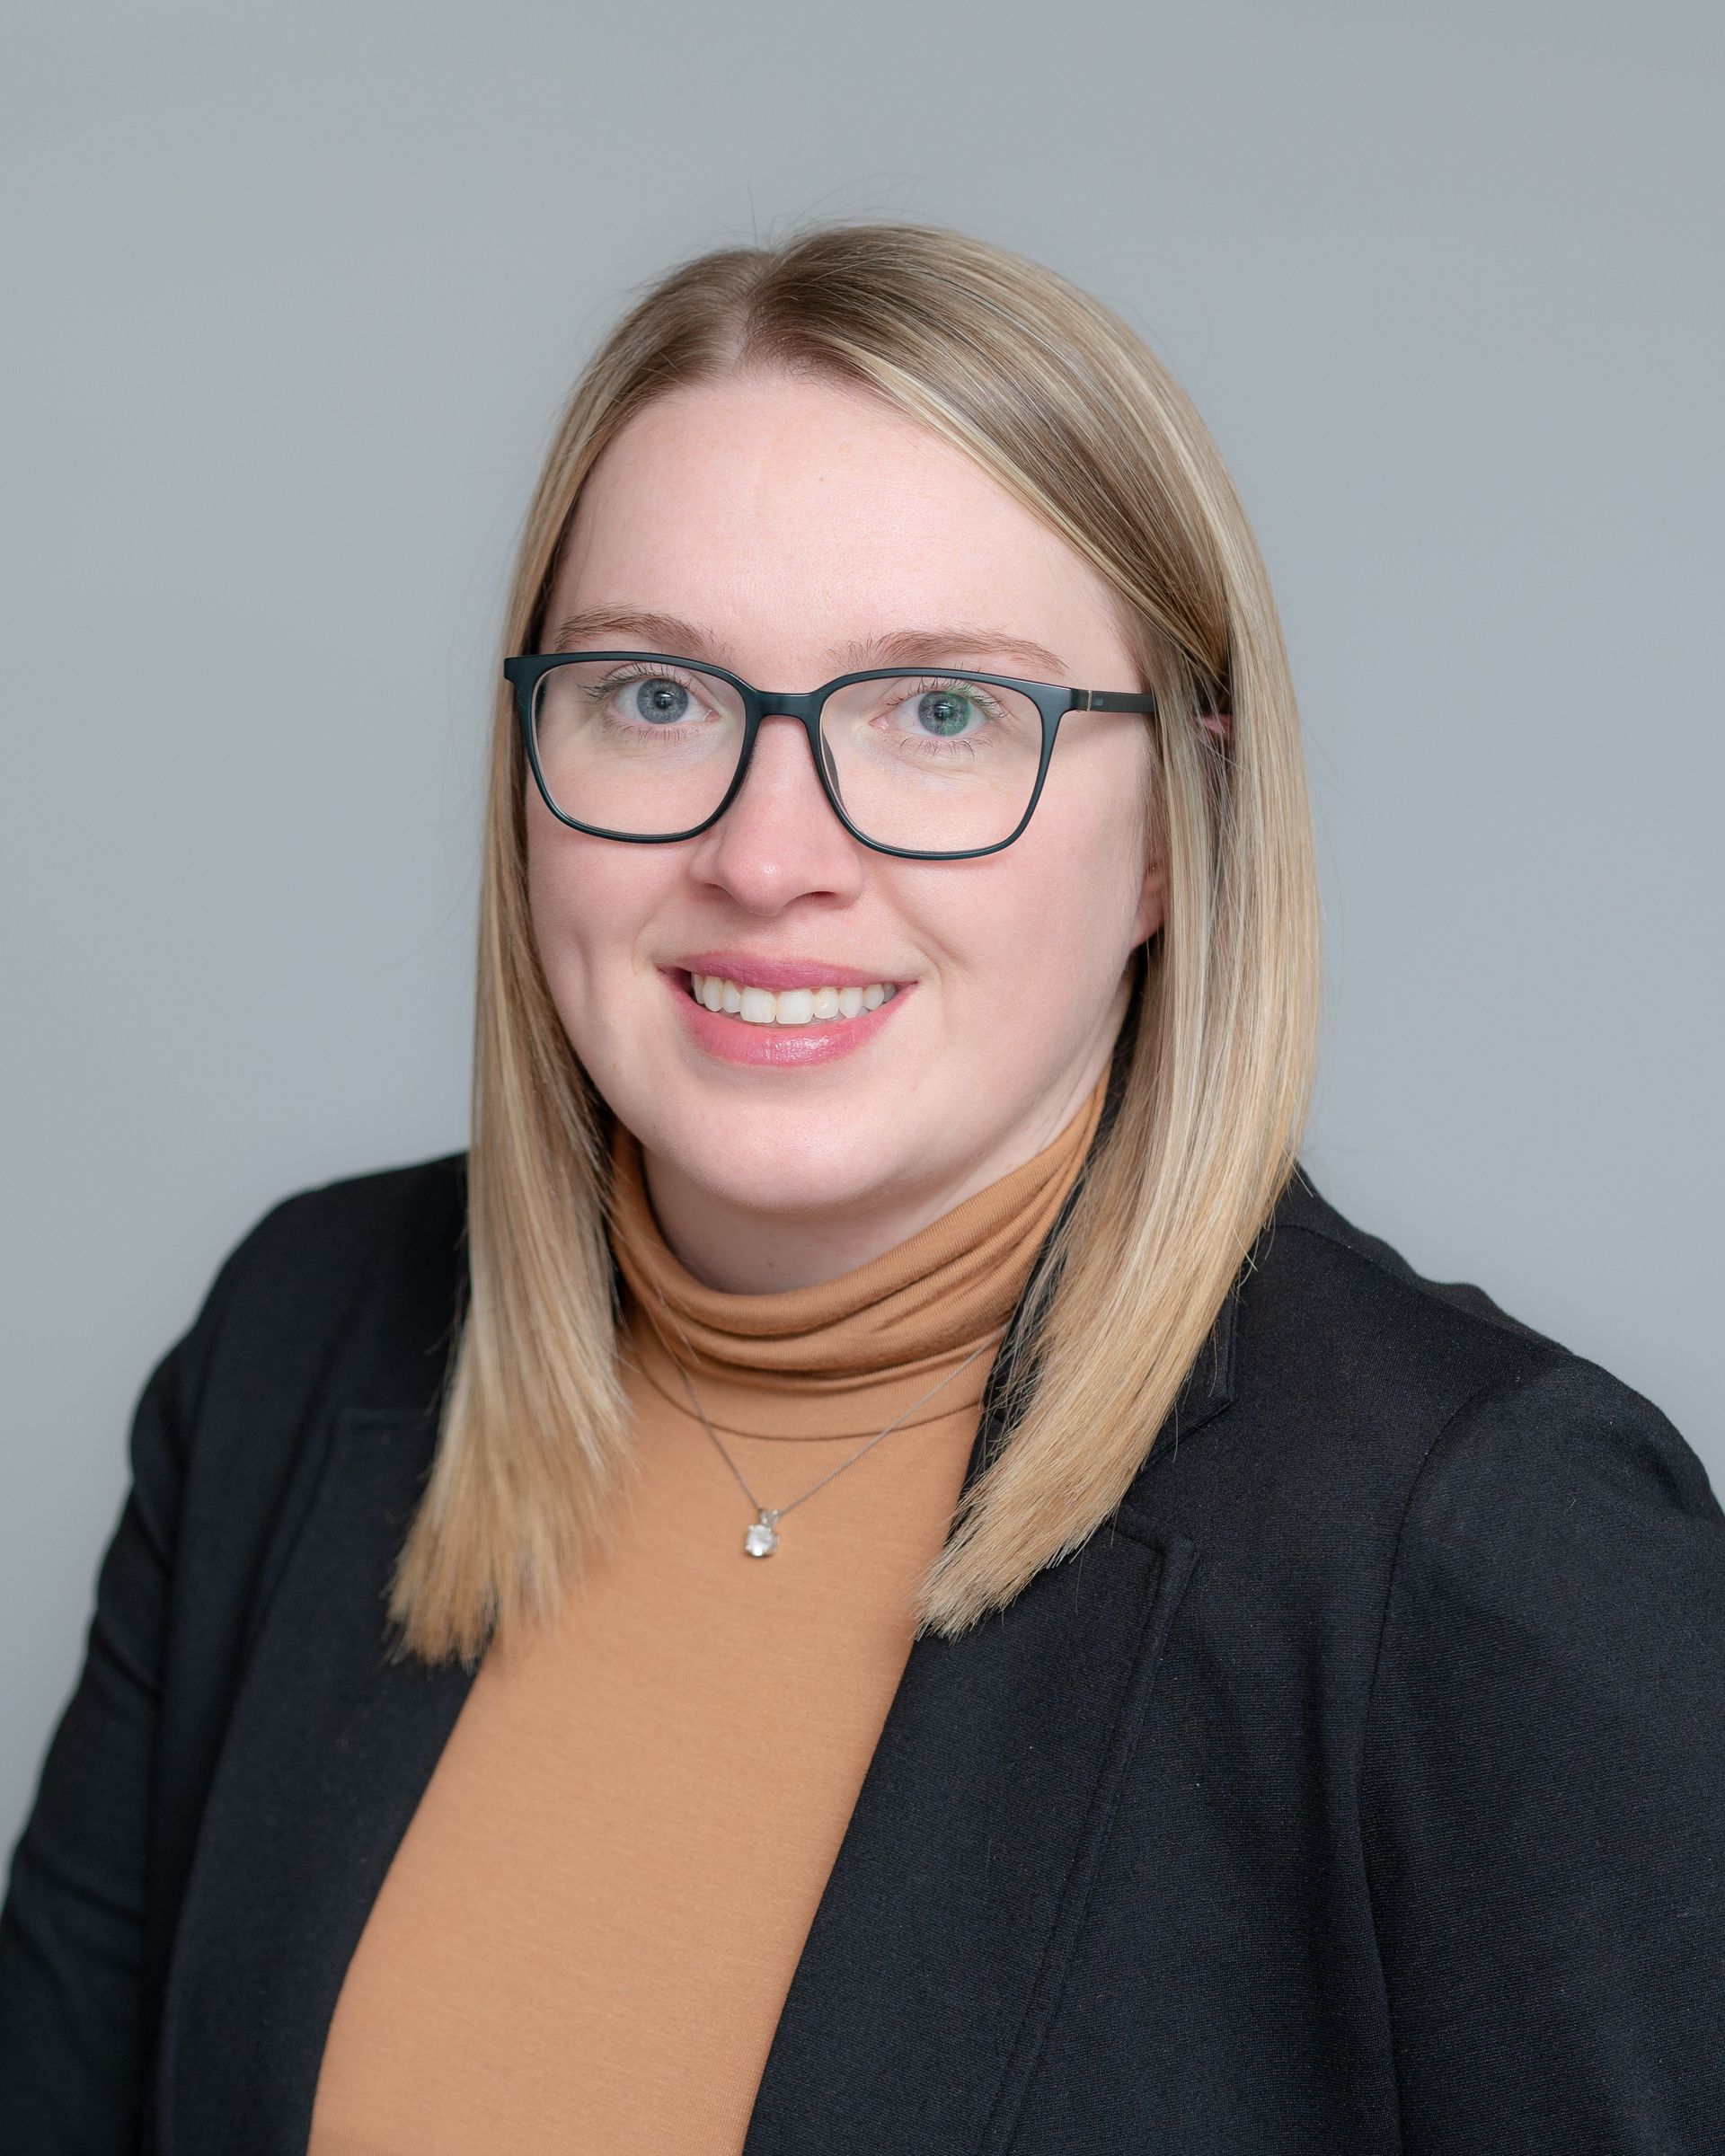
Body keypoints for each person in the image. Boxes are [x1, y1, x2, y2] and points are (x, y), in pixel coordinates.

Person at [1, 220, 1720, 2156]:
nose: (767, 851)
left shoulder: (1486, 1548)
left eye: (942, 714)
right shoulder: (297, 1352)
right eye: (655, 696)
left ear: (1174, 836)